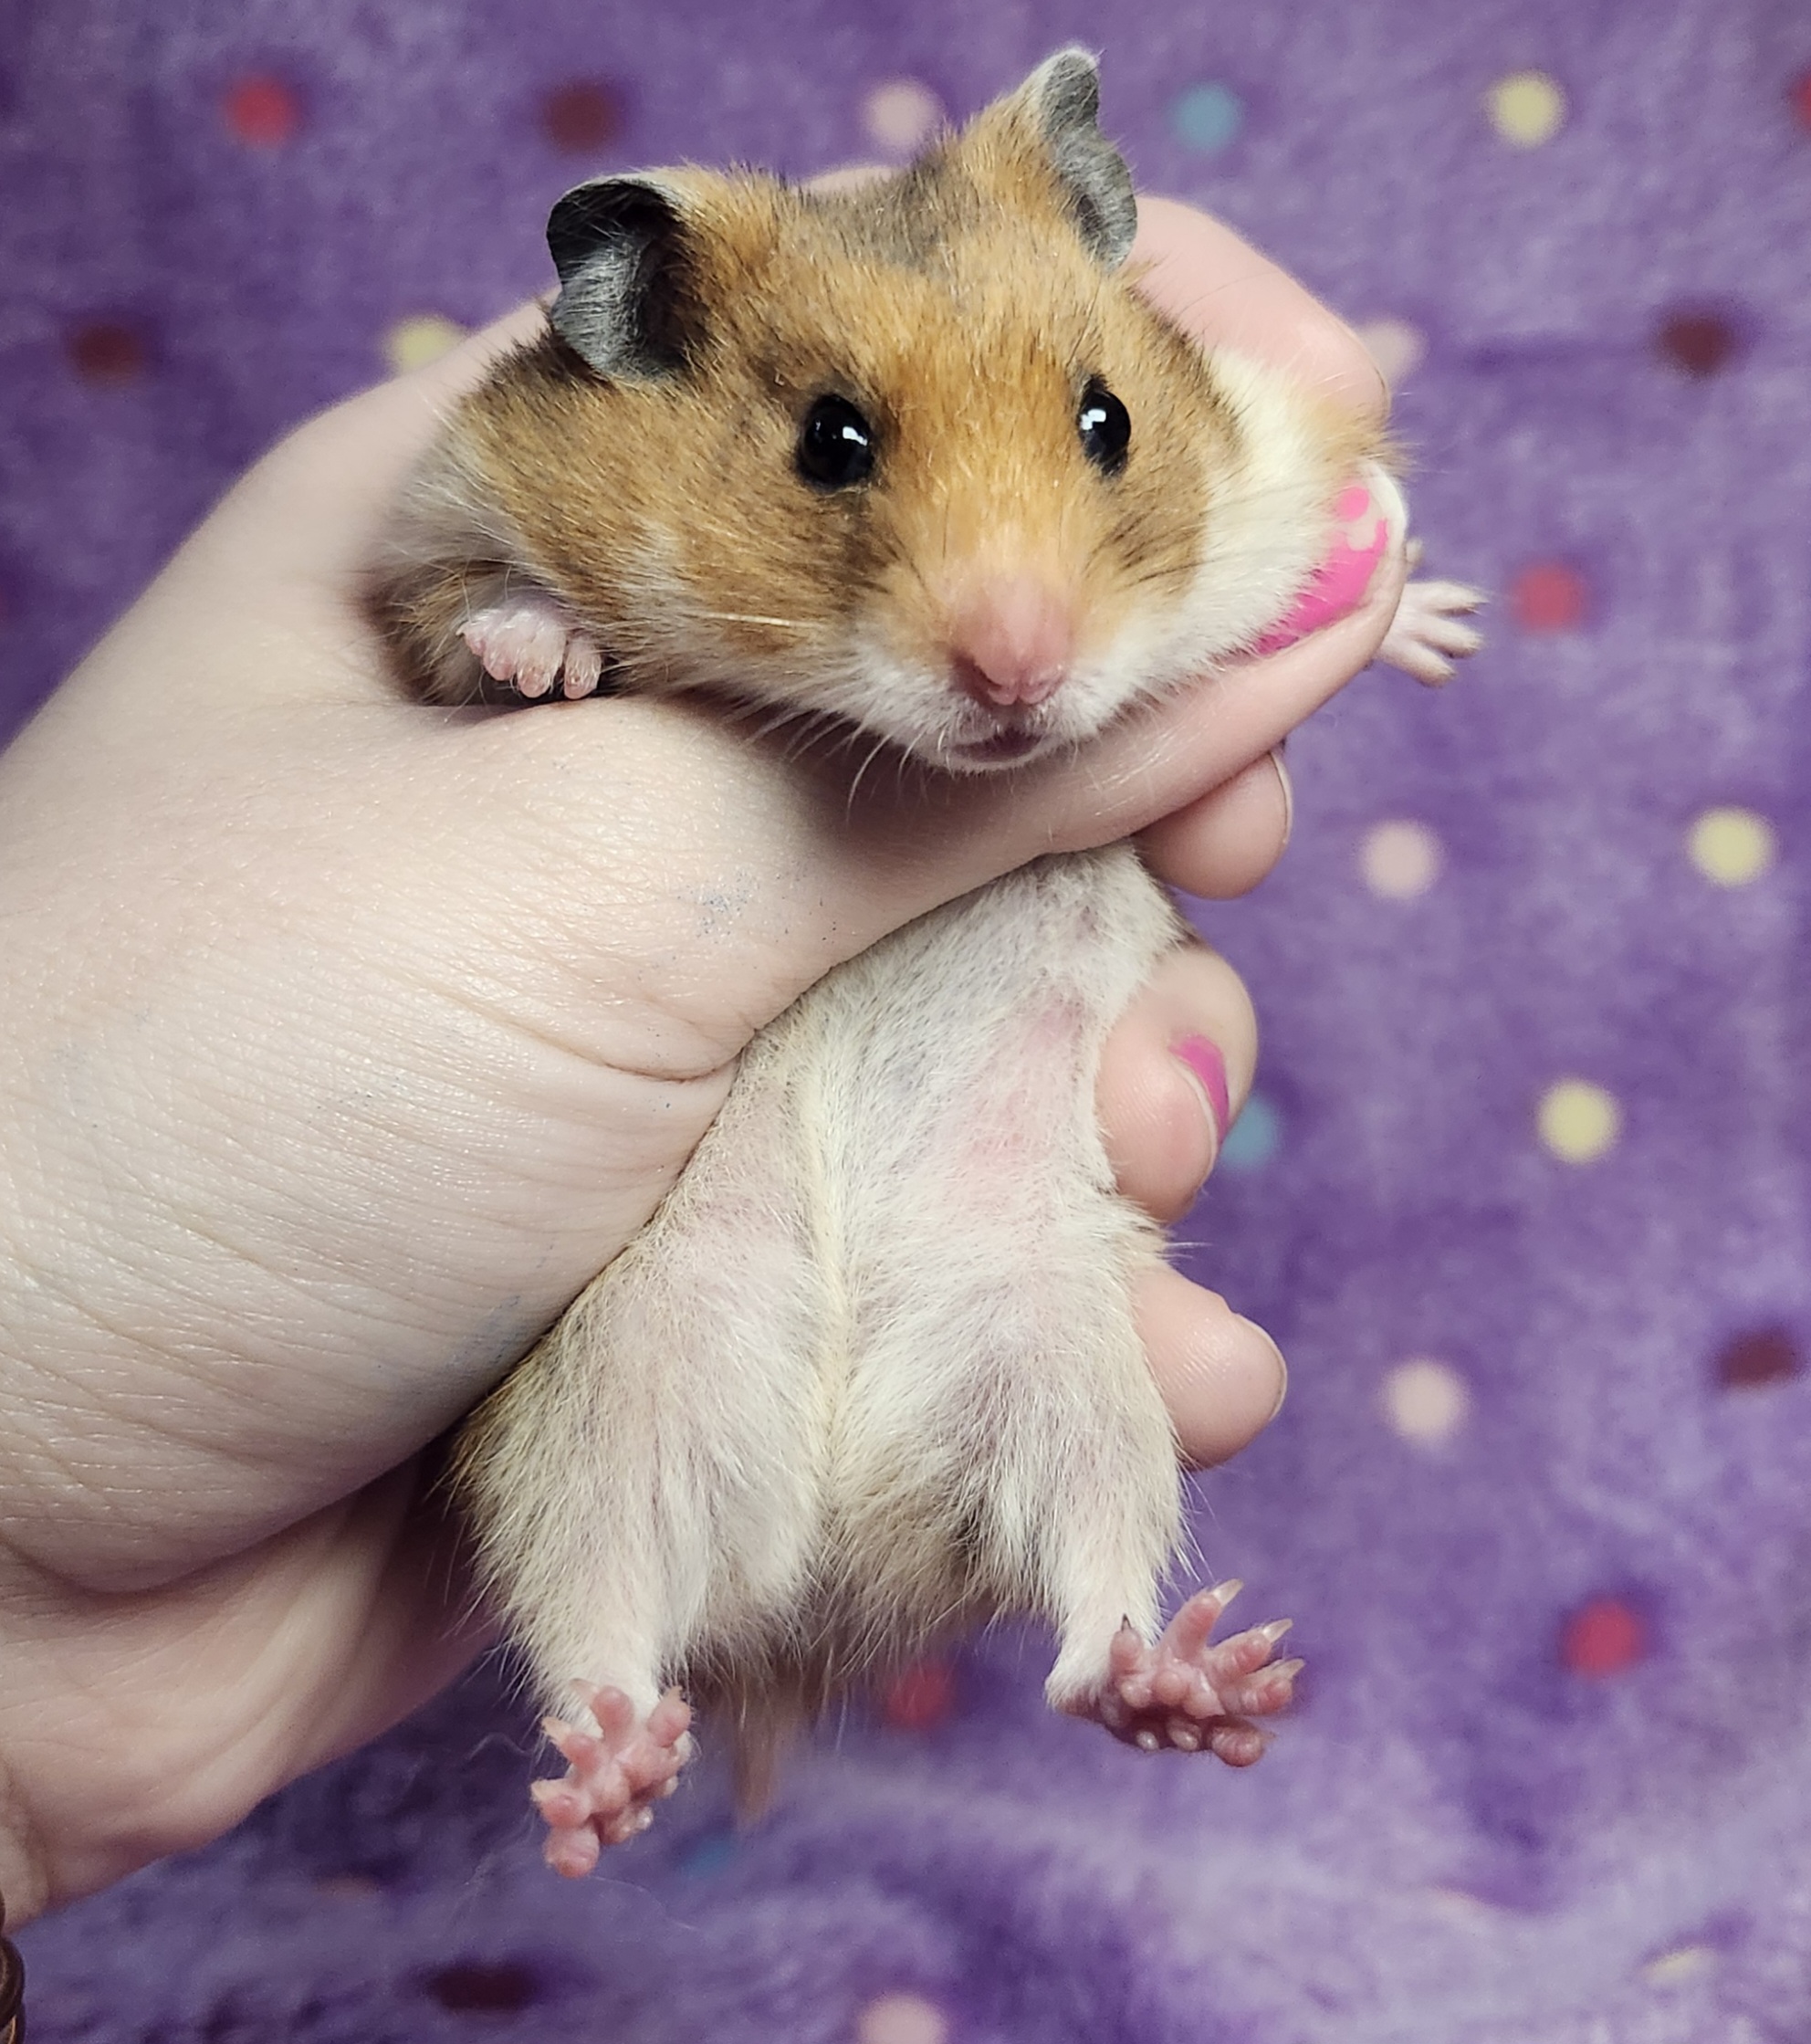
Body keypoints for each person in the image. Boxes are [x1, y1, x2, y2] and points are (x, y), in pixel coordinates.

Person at [0, 195, 1399, 1927]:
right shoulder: (570, 468)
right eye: (836, 446)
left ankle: (1111, 1624)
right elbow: (457, 539)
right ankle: (609, 1678)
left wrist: (1348, 595)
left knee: (1055, 1300)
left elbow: (1310, 471)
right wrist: (490, 620)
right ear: (635, 326)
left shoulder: (1205, 435)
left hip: (975, 1191)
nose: (1022, 651)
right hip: (685, 1222)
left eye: (1095, 431)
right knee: (643, 1339)